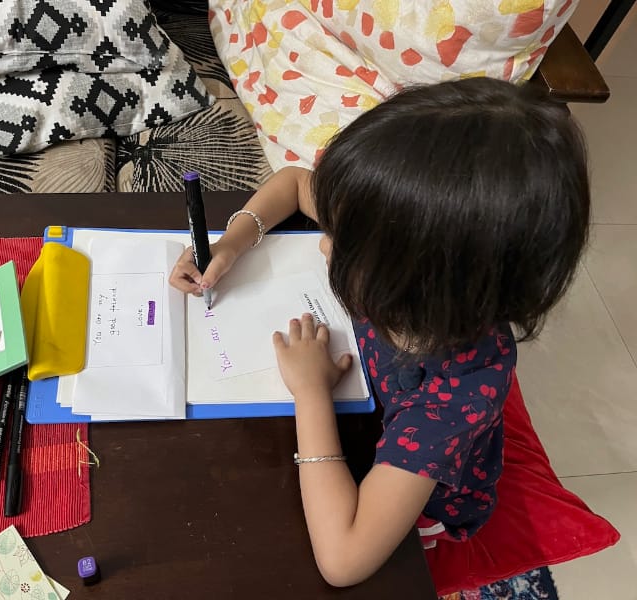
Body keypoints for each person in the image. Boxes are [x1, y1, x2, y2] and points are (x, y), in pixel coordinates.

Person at [169, 77, 590, 587]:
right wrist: (234, 241)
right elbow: (297, 183)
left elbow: (343, 559)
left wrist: (311, 394)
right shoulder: (404, 237)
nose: (326, 248)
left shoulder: (454, 395)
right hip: (367, 392)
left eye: (346, 248)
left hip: (415, 484)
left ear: (419, 287)